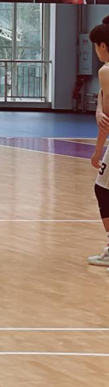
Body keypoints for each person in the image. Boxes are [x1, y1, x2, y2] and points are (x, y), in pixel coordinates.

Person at [88, 16, 109, 268]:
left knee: (102, 190)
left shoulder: (105, 70)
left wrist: (97, 151)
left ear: (103, 46)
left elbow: (106, 120)